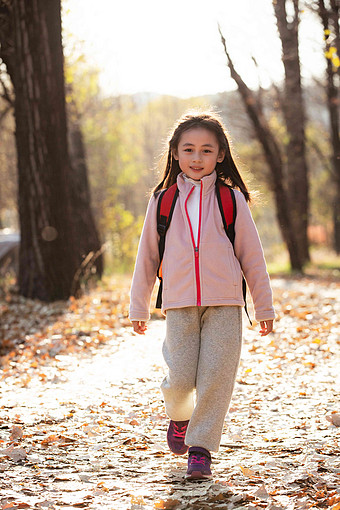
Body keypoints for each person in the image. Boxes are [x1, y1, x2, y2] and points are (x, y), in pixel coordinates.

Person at [129, 111, 275, 480]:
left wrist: (263, 305)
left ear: (220, 154)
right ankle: (179, 418)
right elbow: (147, 255)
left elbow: (252, 256)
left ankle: (201, 449)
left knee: (216, 377)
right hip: (178, 303)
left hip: (226, 302)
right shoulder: (162, 201)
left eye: (206, 150)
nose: (197, 158)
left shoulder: (231, 199)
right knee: (179, 380)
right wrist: (139, 305)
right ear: (175, 153)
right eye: (189, 149)